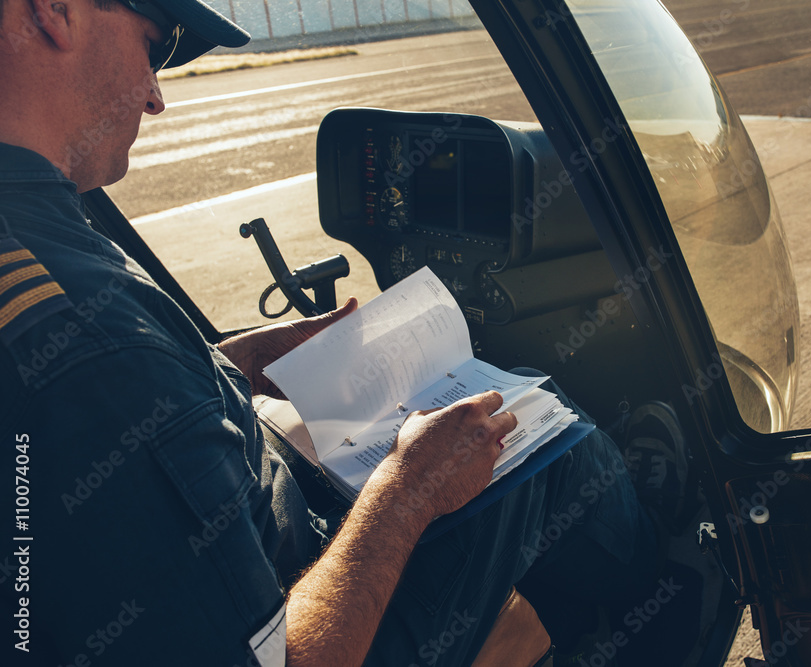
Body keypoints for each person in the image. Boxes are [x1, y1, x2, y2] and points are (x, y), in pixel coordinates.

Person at [0, 1, 690, 665]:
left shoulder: (34, 228)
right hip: (298, 614)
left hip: (248, 536)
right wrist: (408, 490)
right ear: (54, 8)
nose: (154, 95)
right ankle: (662, 595)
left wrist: (230, 366)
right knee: (551, 438)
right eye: (154, 45)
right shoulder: (99, 354)